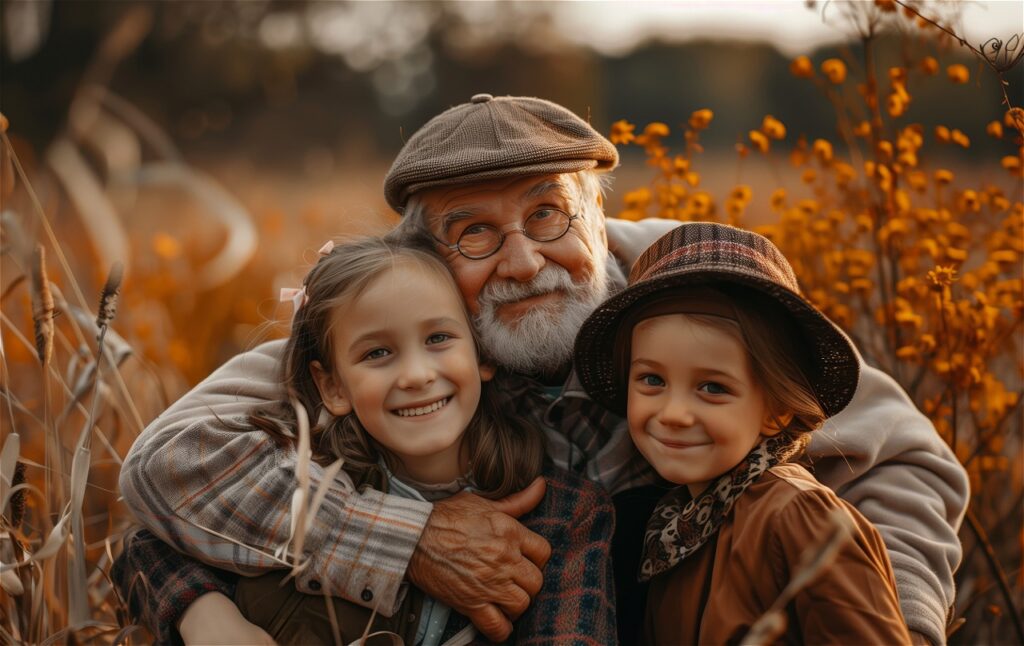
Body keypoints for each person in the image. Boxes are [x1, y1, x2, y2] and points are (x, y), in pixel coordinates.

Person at [117, 94, 968, 646]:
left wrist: (891, 628)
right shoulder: (404, 331)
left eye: (548, 212)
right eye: (474, 232)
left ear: (599, 217)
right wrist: (403, 539)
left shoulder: (692, 294)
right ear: (427, 258)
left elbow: (901, 458)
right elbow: (165, 465)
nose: (524, 262)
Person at [118, 232, 616, 644]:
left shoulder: (562, 513)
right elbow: (145, 543)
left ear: (482, 354)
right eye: (377, 353)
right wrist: (206, 615)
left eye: (439, 339)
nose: (417, 375)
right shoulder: (297, 480)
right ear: (332, 386)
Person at [573, 222, 912, 643]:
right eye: (652, 381)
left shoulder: (797, 516)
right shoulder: (673, 528)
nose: (674, 413)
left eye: (713, 388)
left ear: (778, 410)